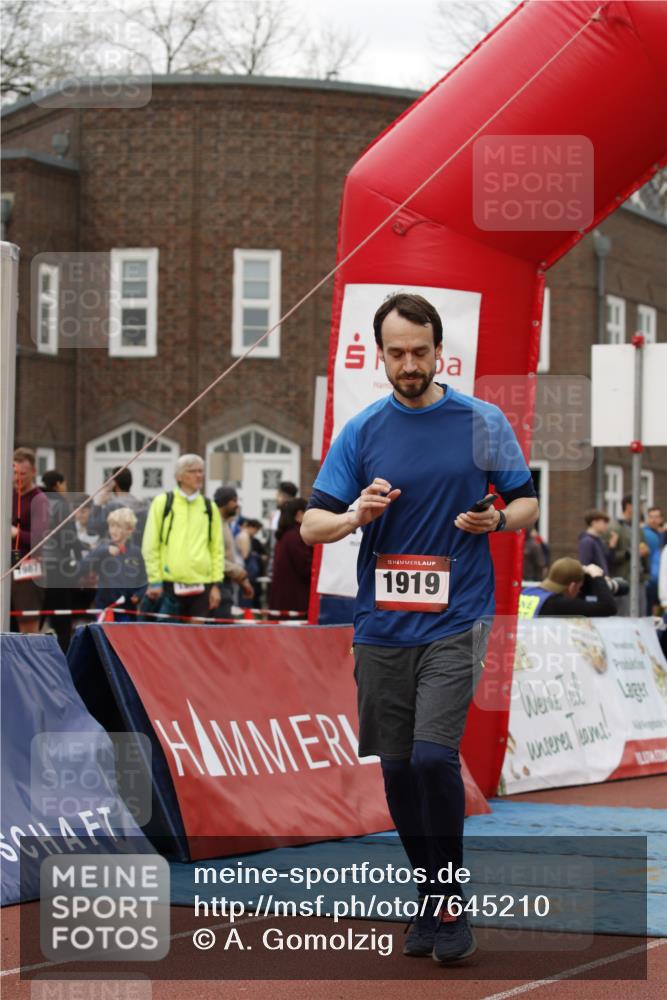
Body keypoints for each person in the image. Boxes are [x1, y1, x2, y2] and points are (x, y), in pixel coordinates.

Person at [300, 292, 538, 964]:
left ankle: (450, 898)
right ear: (379, 356)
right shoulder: (363, 431)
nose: (408, 363)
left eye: (419, 351)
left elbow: (524, 502)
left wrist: (496, 520)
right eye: (395, 352)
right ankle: (429, 892)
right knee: (399, 771)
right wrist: (354, 517)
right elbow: (311, 525)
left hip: (455, 620)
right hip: (380, 628)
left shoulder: (481, 422)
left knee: (434, 758)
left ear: (439, 352)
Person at [142, 455, 223, 620]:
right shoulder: (162, 502)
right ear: (179, 476)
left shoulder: (209, 506)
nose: (199, 475)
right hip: (169, 584)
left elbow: (217, 548)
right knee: (169, 639)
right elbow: (150, 544)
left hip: (202, 585)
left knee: (197, 639)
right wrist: (155, 580)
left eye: (201, 471)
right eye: (192, 471)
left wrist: (216, 585)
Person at [78, 508, 147, 616]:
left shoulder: (136, 552)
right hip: (105, 608)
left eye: (118, 526)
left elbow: (143, 578)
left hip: (128, 609)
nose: (113, 530)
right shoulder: (102, 549)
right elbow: (81, 567)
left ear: (129, 530)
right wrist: (103, 551)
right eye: (111, 526)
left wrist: (139, 594)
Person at [11, 448, 50, 634]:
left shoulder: (39, 500)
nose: (17, 478)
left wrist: (15, 533)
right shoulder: (7, 495)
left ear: (34, 472)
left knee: (27, 630)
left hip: (29, 571)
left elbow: (40, 539)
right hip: (7, 568)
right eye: (15, 473)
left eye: (23, 474)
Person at [519, 558, 617, 618]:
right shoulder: (557, 604)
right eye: (579, 587)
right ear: (572, 586)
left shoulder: (527, 593)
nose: (579, 591)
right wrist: (597, 577)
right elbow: (608, 607)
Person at [213, 486, 254, 619]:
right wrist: (239, 573)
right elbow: (213, 557)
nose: (237, 505)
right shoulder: (214, 523)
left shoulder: (224, 523)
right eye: (234, 501)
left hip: (225, 582)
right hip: (217, 583)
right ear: (226, 502)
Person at [270, 498, 313, 613]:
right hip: (295, 602)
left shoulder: (286, 535)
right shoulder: (297, 537)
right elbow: (307, 568)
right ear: (299, 514)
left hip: (284, 600)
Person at [609, 494, 649, 614]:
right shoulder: (614, 527)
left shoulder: (638, 528)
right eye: (640, 505)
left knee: (641, 615)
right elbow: (610, 556)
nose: (642, 509)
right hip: (624, 580)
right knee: (624, 616)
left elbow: (644, 550)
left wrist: (645, 553)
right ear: (629, 506)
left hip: (639, 580)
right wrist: (631, 553)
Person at [88, 467, 148, 546]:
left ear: (114, 483)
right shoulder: (142, 504)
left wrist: (98, 504)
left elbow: (91, 530)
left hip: (114, 552)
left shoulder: (113, 507)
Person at [577, 508, 615, 574]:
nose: (606, 525)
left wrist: (611, 547)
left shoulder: (599, 541)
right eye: (604, 522)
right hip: (595, 582)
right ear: (594, 522)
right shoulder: (587, 541)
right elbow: (585, 566)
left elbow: (607, 563)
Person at [643, 506, 665, 615]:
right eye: (651, 517)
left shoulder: (662, 534)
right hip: (651, 579)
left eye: (656, 517)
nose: (653, 520)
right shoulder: (645, 534)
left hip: (661, 579)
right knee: (649, 609)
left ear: (661, 519)